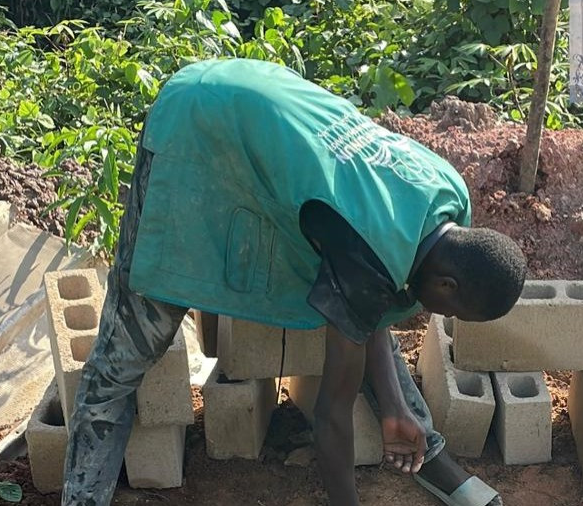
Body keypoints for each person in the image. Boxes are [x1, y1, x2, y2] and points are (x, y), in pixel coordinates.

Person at [61, 58, 527, 506]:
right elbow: (331, 416)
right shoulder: (374, 255)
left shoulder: (447, 199)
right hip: (197, 125)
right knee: (125, 354)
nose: (436, 315)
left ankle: (421, 441)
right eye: (449, 311)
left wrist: (392, 404)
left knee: (353, 308)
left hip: (264, 107)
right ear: (447, 285)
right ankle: (82, 494)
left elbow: (374, 297)